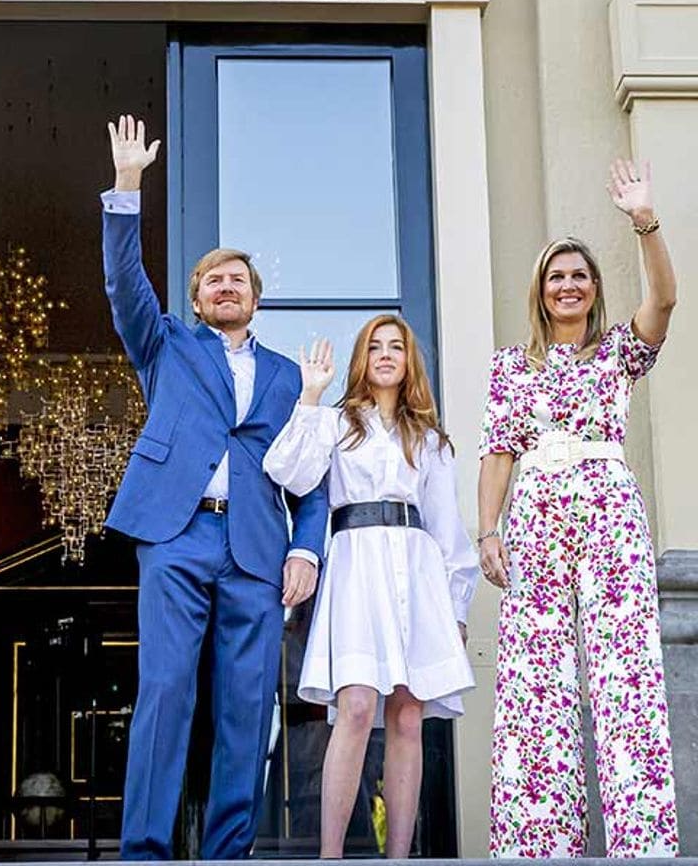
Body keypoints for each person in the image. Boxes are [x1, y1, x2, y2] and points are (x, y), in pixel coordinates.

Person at [101, 115, 329, 860]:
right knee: (166, 694)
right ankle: (146, 851)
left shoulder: (292, 378)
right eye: (212, 280)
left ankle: (229, 854)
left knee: (245, 709)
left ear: (255, 300)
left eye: (238, 279)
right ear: (196, 300)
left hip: (258, 550)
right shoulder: (164, 343)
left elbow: (313, 475)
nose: (225, 286)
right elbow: (123, 280)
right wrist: (128, 185)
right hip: (175, 534)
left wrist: (306, 550)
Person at [478, 159, 678, 857]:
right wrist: (487, 530)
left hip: (608, 515)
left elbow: (665, 303)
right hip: (533, 517)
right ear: (541, 291)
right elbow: (498, 449)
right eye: (556, 276)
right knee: (536, 677)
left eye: (579, 275)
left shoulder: (618, 352)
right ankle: (540, 844)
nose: (568, 284)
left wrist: (644, 222)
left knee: (626, 673)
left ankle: (641, 843)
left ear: (593, 291)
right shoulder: (511, 365)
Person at [263, 318, 477, 857]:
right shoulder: (337, 424)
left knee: (407, 711)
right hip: (357, 566)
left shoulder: (429, 440)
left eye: (396, 346)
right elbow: (286, 470)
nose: (385, 355)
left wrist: (455, 610)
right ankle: (331, 856)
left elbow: (447, 529)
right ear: (362, 359)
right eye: (374, 347)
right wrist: (311, 395)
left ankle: (398, 857)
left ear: (409, 361)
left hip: (417, 570)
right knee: (356, 704)